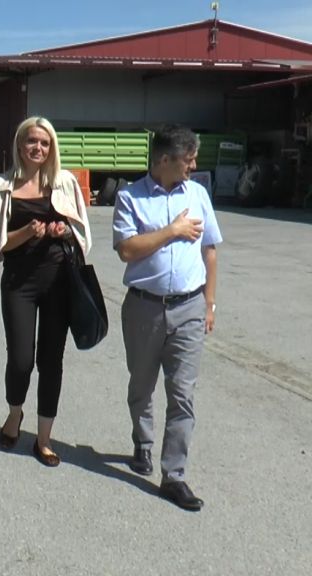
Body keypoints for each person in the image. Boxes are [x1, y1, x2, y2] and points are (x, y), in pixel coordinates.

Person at [112, 124, 222, 511]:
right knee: (141, 385)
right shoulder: (130, 197)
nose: (193, 166)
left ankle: (173, 475)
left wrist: (209, 303)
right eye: (187, 160)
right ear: (163, 160)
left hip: (189, 308)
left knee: (182, 394)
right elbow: (127, 249)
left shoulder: (198, 195)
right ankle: (142, 442)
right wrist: (172, 231)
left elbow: (210, 250)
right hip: (144, 307)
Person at [0, 116, 91, 467]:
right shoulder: (0, 188)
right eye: (32, 141)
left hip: (58, 283)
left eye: (44, 142)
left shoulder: (65, 183)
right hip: (19, 284)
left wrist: (62, 231)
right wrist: (28, 233)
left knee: (51, 361)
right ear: (19, 145)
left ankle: (43, 438)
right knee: (21, 359)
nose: (38, 148)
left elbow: (81, 234)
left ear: (52, 147)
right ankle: (15, 414)